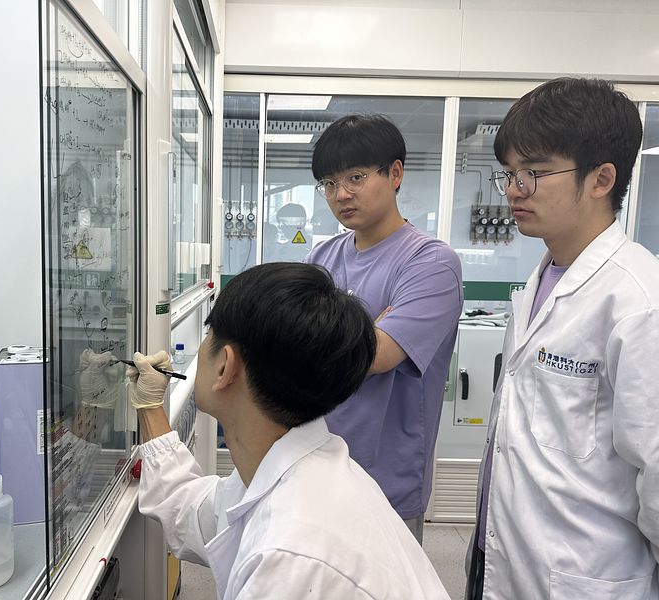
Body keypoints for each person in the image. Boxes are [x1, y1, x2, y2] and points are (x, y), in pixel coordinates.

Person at [127, 262, 450, 600]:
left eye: (209, 334)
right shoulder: (306, 470)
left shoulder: (289, 557)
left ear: (224, 366)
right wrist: (150, 406)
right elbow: (189, 509)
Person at [466, 77, 659, 599]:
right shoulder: (542, 279)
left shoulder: (639, 300)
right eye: (510, 173)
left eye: (534, 172)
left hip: (584, 576)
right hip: (500, 552)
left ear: (601, 179)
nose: (514, 189)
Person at [305, 114, 463, 543]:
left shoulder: (430, 262)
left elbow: (375, 356)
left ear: (395, 174)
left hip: (384, 478)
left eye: (355, 177)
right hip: (313, 462)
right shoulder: (321, 258)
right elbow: (288, 345)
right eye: (329, 183)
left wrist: (331, 337)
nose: (341, 194)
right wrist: (363, 329)